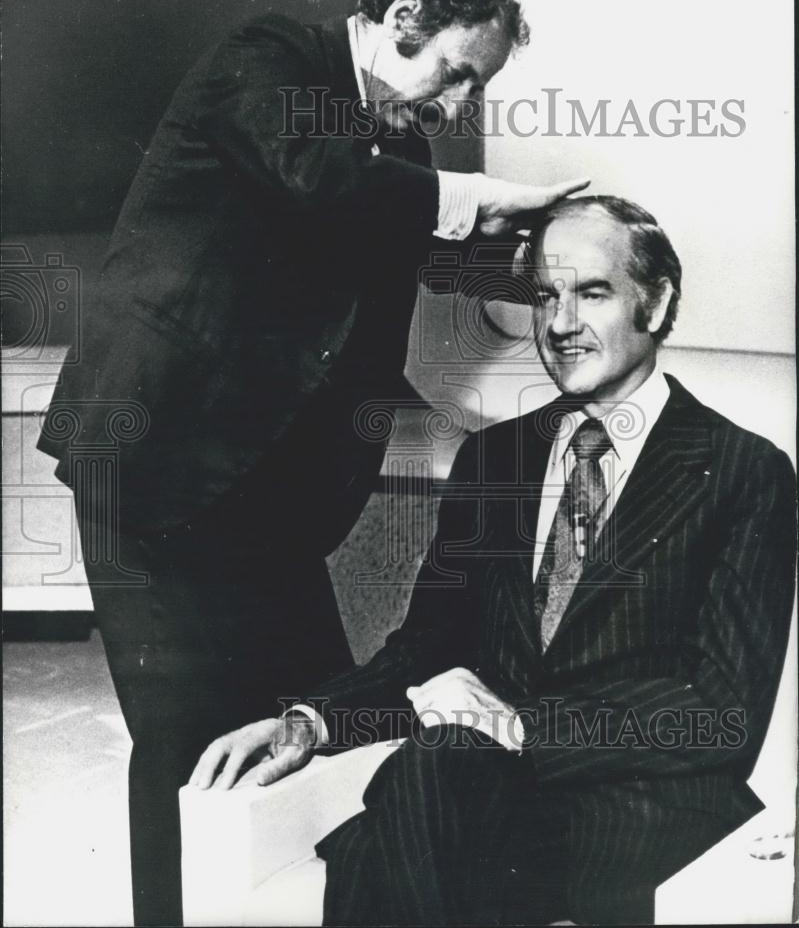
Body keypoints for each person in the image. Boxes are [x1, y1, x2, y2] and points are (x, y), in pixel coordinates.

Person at [36, 0, 588, 927]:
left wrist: (555, 269)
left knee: (319, 716)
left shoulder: (401, 161)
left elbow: (393, 278)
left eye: (477, 87)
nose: (457, 103)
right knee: (190, 741)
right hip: (153, 465)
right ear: (402, 16)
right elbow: (313, 173)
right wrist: (484, 202)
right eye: (455, 69)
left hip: (269, 497)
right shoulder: (270, 58)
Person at [191, 195, 797, 925]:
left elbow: (720, 712)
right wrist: (314, 722)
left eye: (592, 293)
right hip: (476, 791)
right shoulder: (494, 458)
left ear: (657, 301)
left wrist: (516, 724)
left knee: (407, 814)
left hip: (637, 808)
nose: (561, 324)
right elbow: (425, 644)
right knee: (429, 781)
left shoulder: (743, 470)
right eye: (544, 296)